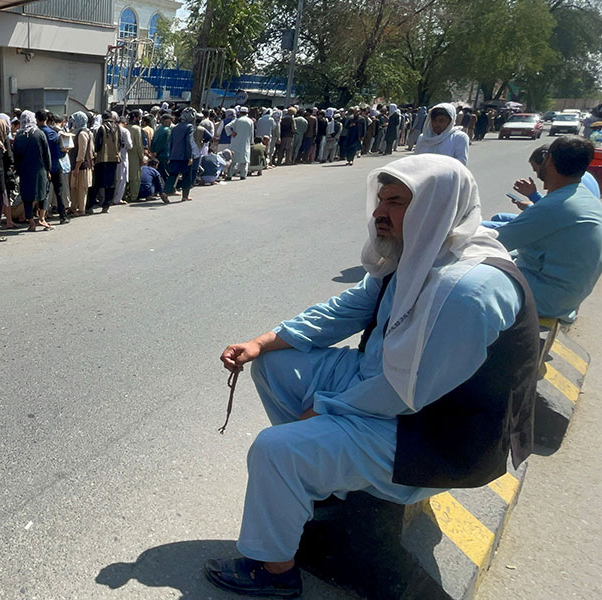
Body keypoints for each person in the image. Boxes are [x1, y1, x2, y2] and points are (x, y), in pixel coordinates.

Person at [206, 154, 539, 598]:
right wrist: (262, 342)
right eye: (381, 200)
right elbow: (347, 308)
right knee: (276, 364)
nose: (380, 212)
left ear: (436, 206)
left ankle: (274, 571)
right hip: (389, 393)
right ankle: (323, 482)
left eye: (397, 202)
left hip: (435, 436)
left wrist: (325, 410)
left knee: (276, 449)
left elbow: (409, 392)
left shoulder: (466, 288)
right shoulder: (422, 251)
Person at [494, 136, 602, 320]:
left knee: (469, 278)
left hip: (548, 299)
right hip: (566, 295)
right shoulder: (583, 197)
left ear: (549, 160)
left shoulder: (555, 206)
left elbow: (496, 242)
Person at [13, 111, 51, 229]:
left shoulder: (18, 136)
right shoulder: (39, 134)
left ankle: (31, 223)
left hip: (25, 171)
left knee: (27, 197)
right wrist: (48, 169)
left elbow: (16, 156)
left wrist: (18, 170)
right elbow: (46, 153)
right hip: (40, 170)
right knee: (44, 193)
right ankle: (42, 218)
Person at [88, 111, 121, 214]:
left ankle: (89, 206)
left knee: (97, 183)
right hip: (114, 158)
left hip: (102, 159)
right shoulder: (117, 127)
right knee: (111, 183)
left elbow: (98, 145)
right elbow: (120, 143)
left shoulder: (102, 128)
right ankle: (106, 205)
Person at [41, 112, 70, 221]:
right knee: (59, 191)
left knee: (44, 191)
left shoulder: (36, 132)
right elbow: (59, 152)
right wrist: (64, 151)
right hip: (54, 165)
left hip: (42, 167)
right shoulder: (53, 134)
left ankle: (43, 214)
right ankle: (62, 215)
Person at [165, 108, 196, 202]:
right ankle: (185, 196)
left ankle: (165, 192)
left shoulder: (175, 127)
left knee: (173, 174)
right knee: (187, 176)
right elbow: (189, 142)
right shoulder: (189, 127)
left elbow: (171, 142)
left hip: (174, 155)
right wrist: (189, 156)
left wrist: (170, 155)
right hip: (184, 156)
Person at [68, 111, 94, 216]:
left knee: (81, 189)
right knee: (74, 188)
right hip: (77, 165)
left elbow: (82, 153)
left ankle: (81, 209)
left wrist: (77, 167)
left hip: (81, 166)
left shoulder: (82, 134)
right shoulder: (81, 132)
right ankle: (73, 207)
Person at [226, 107, 255, 180]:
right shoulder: (250, 121)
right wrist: (251, 142)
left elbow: (227, 127)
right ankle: (243, 175)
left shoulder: (237, 120)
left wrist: (231, 133)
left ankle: (229, 175)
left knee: (233, 160)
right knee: (244, 160)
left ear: (240, 113)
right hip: (245, 143)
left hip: (235, 142)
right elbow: (252, 133)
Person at [150, 113, 172, 184]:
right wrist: (157, 151)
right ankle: (167, 187)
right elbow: (163, 143)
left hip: (156, 154)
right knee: (165, 172)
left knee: (159, 171)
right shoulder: (167, 130)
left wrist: (153, 151)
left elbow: (153, 141)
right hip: (164, 154)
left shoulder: (158, 129)